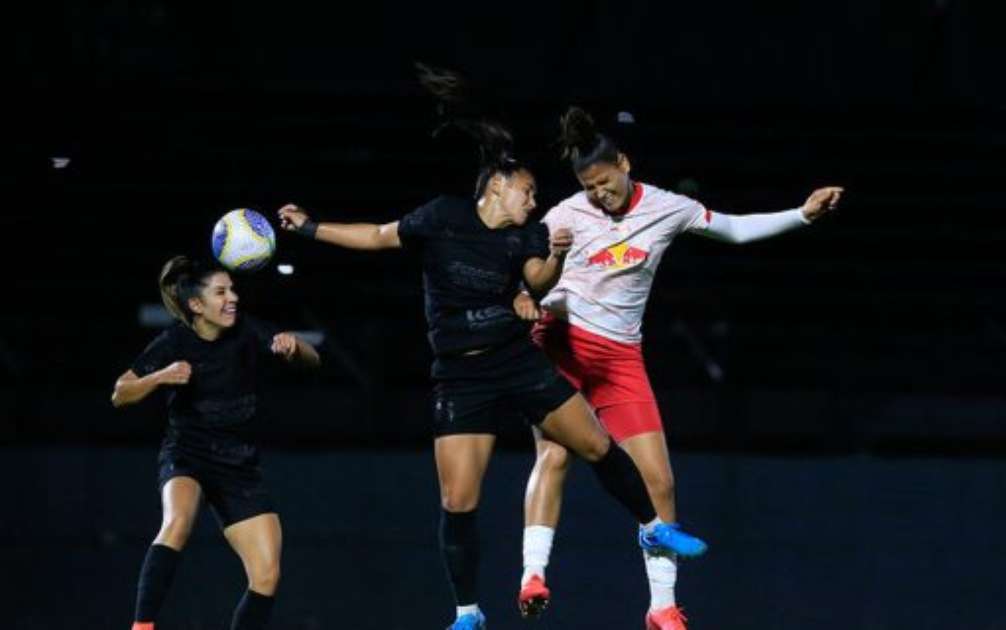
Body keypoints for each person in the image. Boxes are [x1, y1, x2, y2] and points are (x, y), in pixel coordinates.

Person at [275, 65, 706, 630]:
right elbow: (378, 235)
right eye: (528, 192)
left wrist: (551, 260)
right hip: (461, 378)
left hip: (519, 363)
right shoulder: (441, 217)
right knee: (457, 501)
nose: (535, 202)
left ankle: (651, 523)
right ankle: (469, 613)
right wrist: (311, 229)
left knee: (598, 446)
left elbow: (539, 279)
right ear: (497, 185)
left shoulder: (527, 234)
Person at [515, 106, 843, 630]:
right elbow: (524, 268)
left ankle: (661, 607)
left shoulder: (668, 208)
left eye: (605, 182)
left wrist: (801, 214)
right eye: (590, 187)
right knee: (555, 455)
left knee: (659, 482)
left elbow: (733, 230)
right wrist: (521, 295)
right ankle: (534, 575)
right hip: (562, 347)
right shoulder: (565, 214)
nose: (600, 194)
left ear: (624, 163)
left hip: (621, 358)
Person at [112, 255, 320, 630]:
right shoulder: (173, 341)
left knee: (267, 576)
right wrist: (159, 376)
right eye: (221, 291)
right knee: (177, 523)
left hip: (239, 466)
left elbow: (313, 359)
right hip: (187, 454)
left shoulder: (248, 330)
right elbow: (120, 393)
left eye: (233, 289)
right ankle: (142, 627)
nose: (233, 298)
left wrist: (295, 347)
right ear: (196, 305)